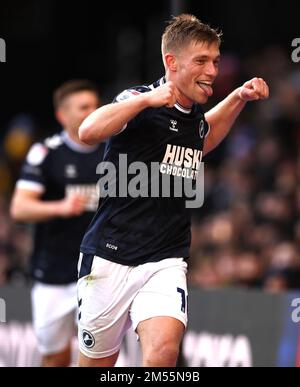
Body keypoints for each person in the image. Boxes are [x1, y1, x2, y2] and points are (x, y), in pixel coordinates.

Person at [77, 14, 269, 367]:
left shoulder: (193, 116)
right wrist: (145, 102)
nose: (212, 70)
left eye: (215, 61)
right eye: (201, 61)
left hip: (165, 259)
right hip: (110, 255)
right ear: (172, 62)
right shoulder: (138, 99)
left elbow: (203, 137)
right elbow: (87, 131)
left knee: (163, 354)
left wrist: (239, 97)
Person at [10, 80, 105, 367]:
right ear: (63, 115)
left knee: (98, 356)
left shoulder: (113, 149)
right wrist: (61, 207)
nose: (92, 111)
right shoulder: (47, 154)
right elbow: (19, 207)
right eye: (84, 107)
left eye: (95, 105)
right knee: (55, 356)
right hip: (53, 272)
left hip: (99, 272)